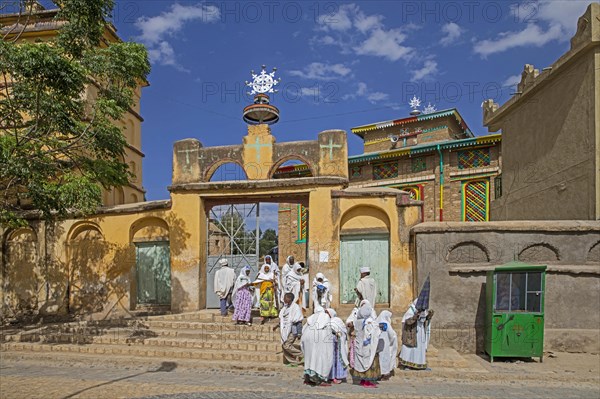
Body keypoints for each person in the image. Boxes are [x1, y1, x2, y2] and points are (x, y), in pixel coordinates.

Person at [399, 276, 434, 370]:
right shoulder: (410, 311)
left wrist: (428, 316)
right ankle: (408, 364)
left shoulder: (422, 310)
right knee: (410, 350)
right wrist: (415, 316)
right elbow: (407, 321)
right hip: (411, 333)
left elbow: (424, 319)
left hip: (420, 332)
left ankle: (420, 364)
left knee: (420, 349)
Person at [350, 300, 381, 388]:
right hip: (367, 346)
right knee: (368, 362)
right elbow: (373, 332)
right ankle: (367, 382)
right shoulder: (369, 322)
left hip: (359, 345)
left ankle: (362, 380)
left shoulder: (358, 321)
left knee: (362, 362)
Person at [301, 305, 333, 386]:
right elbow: (328, 330)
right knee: (321, 359)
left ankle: (308, 378)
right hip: (319, 340)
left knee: (309, 359)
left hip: (307, 338)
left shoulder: (311, 318)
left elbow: (303, 330)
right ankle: (322, 379)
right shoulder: (325, 317)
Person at [273, 292, 304, 365]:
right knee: (284, 346)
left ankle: (302, 355)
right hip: (285, 330)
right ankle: (293, 362)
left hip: (293, 330)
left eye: (285, 297)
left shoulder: (295, 307)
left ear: (289, 299)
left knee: (286, 345)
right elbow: (283, 320)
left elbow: (299, 320)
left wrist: (299, 333)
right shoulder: (285, 308)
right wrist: (277, 326)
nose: (284, 299)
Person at [327, 308, 349, 384]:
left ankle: (337, 376)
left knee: (337, 360)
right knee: (331, 360)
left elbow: (343, 331)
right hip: (329, 344)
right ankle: (331, 377)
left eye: (328, 313)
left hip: (338, 345)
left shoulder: (337, 321)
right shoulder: (325, 321)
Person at [376, 310, 398, 380]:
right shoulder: (386, 323)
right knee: (385, 359)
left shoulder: (376, 322)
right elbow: (392, 335)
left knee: (379, 359)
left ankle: (378, 374)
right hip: (385, 344)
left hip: (378, 343)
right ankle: (385, 374)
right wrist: (391, 342)